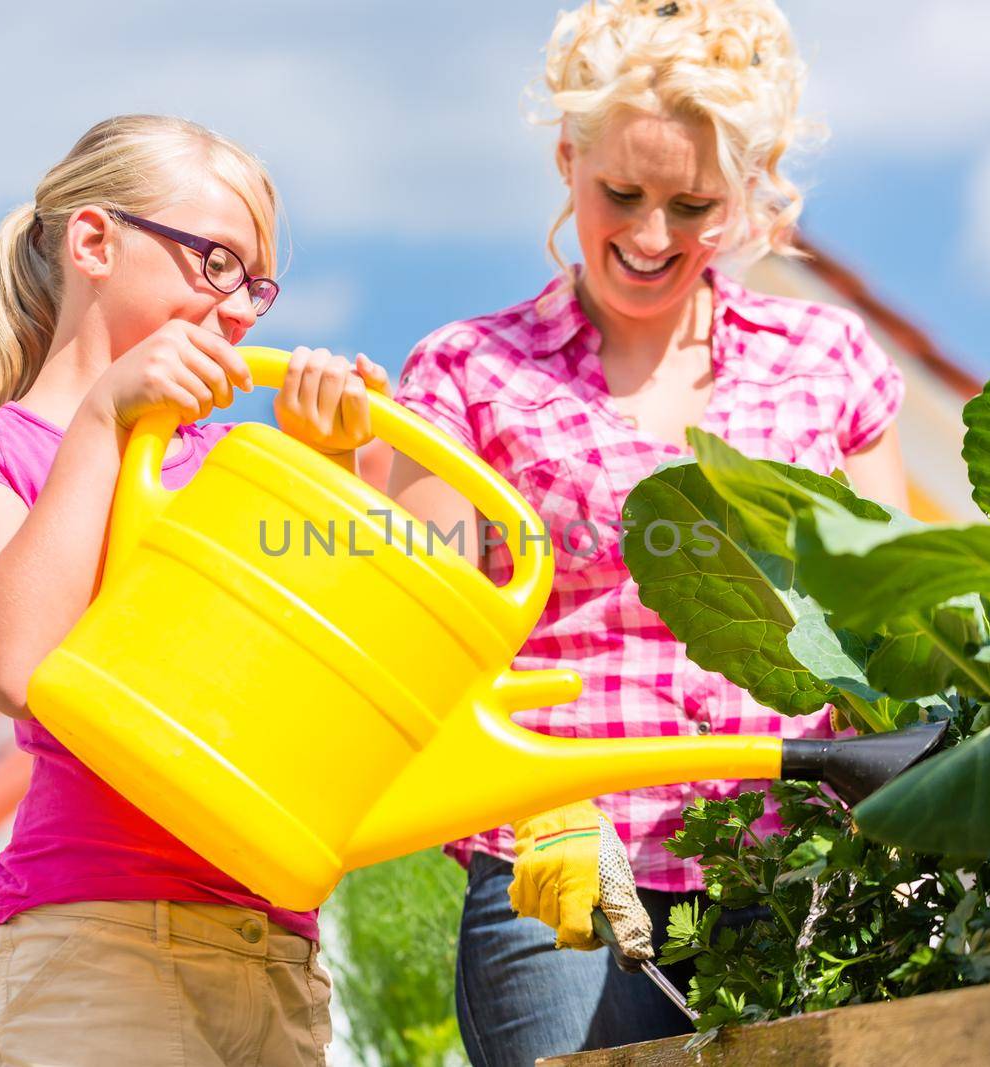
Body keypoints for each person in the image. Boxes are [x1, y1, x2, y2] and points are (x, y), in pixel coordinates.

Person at [386, 2, 910, 1061]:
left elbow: (891, 627)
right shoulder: (467, 373)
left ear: (751, 193)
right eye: (619, 193)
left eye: (693, 203)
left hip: (791, 859)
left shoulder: (826, 362)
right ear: (566, 160)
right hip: (561, 869)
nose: (650, 234)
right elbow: (416, 649)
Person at [0, 114, 387, 1067]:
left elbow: (322, 694)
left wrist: (332, 472)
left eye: (258, 284)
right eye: (217, 264)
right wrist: (105, 417)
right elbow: (22, 662)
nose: (241, 311)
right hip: (92, 948)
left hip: (275, 954)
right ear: (94, 242)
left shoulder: (244, 465)